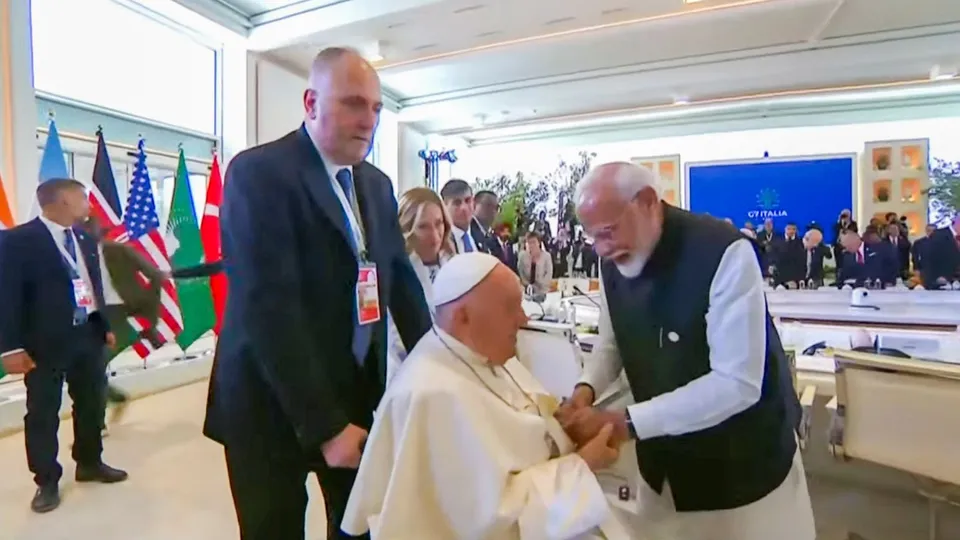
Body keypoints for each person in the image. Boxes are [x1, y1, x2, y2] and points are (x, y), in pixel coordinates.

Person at [205, 47, 432, 540]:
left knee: (359, 526)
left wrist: (445, 365)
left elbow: (402, 285)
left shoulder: (376, 184)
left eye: (375, 108)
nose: (368, 120)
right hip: (269, 402)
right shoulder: (258, 174)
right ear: (311, 103)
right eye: (353, 104)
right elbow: (270, 308)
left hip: (354, 395)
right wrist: (326, 426)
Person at [556, 162, 813, 540]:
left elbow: (736, 383)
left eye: (608, 232)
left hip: (742, 461)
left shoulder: (723, 252)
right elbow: (612, 343)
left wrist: (622, 422)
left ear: (646, 202)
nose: (602, 248)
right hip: (664, 455)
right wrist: (585, 391)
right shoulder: (611, 254)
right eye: (593, 236)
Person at [342, 253, 630, 539]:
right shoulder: (431, 395)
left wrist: (566, 425)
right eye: (510, 307)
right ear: (463, 316)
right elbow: (488, 521)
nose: (524, 318)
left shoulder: (479, 353)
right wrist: (582, 465)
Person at [0, 179, 128, 514]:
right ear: (61, 202)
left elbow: (91, 283)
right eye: (82, 198)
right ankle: (46, 480)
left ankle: (89, 462)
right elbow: (6, 296)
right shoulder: (18, 240)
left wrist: (104, 326)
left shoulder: (84, 238)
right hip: (43, 343)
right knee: (43, 413)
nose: (88, 204)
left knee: (91, 403)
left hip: (87, 335)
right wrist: (9, 348)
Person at [386, 187, 455, 381]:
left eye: (439, 223)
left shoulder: (454, 266)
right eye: (423, 226)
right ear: (406, 229)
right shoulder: (396, 279)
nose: (435, 235)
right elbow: (396, 345)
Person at [440, 178, 487, 254]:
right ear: (444, 206)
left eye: (468, 200)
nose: (464, 208)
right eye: (457, 203)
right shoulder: (440, 242)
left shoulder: (483, 239)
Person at [919, 213, 960, 289]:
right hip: (939, 282)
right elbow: (928, 257)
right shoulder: (939, 235)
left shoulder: (956, 237)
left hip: (954, 283)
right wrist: (937, 277)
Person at [518, 231, 553, 299]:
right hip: (527, 292)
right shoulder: (522, 256)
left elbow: (549, 274)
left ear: (539, 243)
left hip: (543, 291)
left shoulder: (546, 256)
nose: (532, 245)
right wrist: (528, 285)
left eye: (534, 242)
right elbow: (521, 273)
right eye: (529, 242)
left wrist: (538, 285)